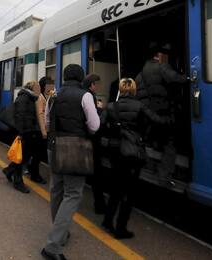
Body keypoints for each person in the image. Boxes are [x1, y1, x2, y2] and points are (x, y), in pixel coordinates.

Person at [42, 64, 100, 260]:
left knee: (56, 190)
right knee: (73, 193)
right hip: (75, 148)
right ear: (81, 77)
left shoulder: (53, 95)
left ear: (64, 77)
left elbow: (48, 123)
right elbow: (94, 125)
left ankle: (61, 233)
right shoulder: (85, 96)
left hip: (54, 146)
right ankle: (53, 245)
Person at [100, 78, 168, 239]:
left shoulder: (110, 107)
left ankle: (107, 221)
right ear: (134, 90)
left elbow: (100, 125)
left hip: (115, 151)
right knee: (129, 193)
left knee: (116, 189)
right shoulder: (140, 106)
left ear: (120, 90)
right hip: (133, 152)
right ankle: (121, 228)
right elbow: (157, 121)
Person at [135, 42, 187, 184]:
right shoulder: (161, 67)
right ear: (158, 55)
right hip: (163, 113)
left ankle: (149, 167)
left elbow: (138, 94)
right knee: (170, 144)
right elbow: (175, 78)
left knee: (153, 141)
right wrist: (189, 77)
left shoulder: (141, 73)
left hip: (149, 114)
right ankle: (164, 177)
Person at [2, 81, 43, 193]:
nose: (39, 89)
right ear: (32, 88)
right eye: (37, 87)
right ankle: (18, 182)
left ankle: (9, 170)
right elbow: (19, 117)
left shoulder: (31, 98)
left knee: (24, 156)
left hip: (29, 132)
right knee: (22, 158)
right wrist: (20, 133)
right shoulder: (24, 98)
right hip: (24, 133)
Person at [82, 74, 106, 214]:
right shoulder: (89, 96)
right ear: (92, 85)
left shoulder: (84, 95)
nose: (99, 87)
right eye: (98, 84)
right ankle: (99, 205)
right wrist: (101, 109)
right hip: (92, 141)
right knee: (97, 173)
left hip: (84, 140)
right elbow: (94, 124)